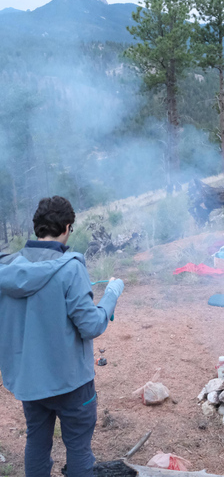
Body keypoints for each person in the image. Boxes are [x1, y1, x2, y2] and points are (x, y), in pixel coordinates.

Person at [0, 196, 125, 477]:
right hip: (72, 383)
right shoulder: (70, 268)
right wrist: (112, 295)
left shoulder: (6, 268)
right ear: (67, 227)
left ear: (37, 228)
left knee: (37, 442)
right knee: (79, 449)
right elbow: (91, 325)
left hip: (29, 382)